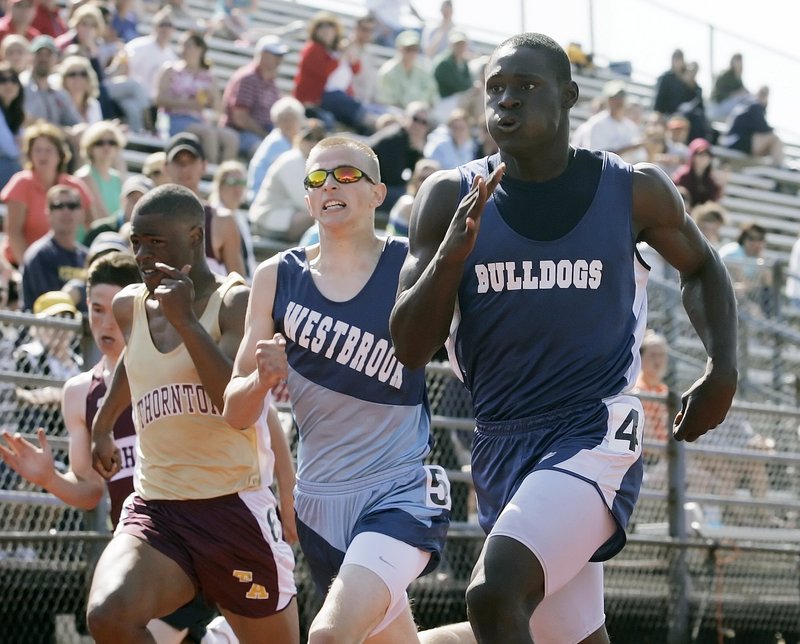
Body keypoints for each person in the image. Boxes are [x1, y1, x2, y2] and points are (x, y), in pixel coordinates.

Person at [390, 32, 738, 644]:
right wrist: (451, 258)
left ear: (570, 96)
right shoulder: (449, 196)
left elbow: (703, 266)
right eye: (496, 89)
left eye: (526, 87)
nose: (507, 101)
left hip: (593, 427)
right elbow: (411, 349)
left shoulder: (634, 188)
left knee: (496, 595)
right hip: (500, 440)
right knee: (569, 637)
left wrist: (724, 368)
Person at [223, 135, 451, 644]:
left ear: (378, 194)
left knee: (328, 637)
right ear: (306, 199)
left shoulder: (409, 266)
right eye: (318, 178)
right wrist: (262, 379)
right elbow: (234, 413)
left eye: (347, 175)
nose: (331, 185)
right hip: (319, 506)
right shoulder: (276, 276)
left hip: (399, 491)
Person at [87, 183, 299, 643]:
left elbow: (234, 401)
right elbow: (133, 361)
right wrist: (103, 423)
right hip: (158, 507)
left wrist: (184, 319)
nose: (143, 255)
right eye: (136, 242)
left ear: (195, 239)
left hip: (232, 507)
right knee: (108, 616)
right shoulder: (130, 306)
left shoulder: (234, 303)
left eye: (156, 243)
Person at [1, 120, 95, 267]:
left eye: (48, 150)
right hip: (19, 265)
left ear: (60, 155)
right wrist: (26, 270)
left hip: (65, 267)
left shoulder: (74, 186)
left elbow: (92, 227)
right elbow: (14, 233)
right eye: (37, 150)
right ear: (30, 155)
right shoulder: (21, 183)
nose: (42, 155)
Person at [164, 132, 246, 277]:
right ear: (166, 167)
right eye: (178, 162)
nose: (184, 168)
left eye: (191, 161)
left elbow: (238, 284)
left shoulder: (223, 220)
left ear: (204, 165)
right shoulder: (150, 216)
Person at [155, 30, 239, 165]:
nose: (184, 49)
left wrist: (213, 94)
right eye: (182, 45)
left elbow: (219, 111)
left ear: (200, 49)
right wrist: (188, 104)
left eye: (188, 45)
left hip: (199, 120)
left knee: (231, 138)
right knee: (208, 133)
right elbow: (159, 99)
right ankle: (210, 172)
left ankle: (225, 173)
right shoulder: (170, 70)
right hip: (174, 119)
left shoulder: (209, 76)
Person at [247, 119, 325, 243]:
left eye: (318, 138)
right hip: (266, 221)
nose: (313, 142)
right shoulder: (291, 160)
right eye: (308, 138)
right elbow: (304, 200)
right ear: (298, 138)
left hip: (287, 216)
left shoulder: (314, 163)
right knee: (323, 213)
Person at [20, 184, 88, 311]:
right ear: (48, 213)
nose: (66, 211)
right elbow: (48, 307)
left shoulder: (87, 257)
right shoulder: (39, 255)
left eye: (72, 206)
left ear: (81, 213)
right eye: (58, 206)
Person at [220, 34, 288, 158]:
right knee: (267, 152)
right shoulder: (248, 78)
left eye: (281, 56)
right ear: (263, 54)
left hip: (259, 132)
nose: (279, 60)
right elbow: (240, 118)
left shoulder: (270, 81)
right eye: (276, 55)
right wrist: (264, 135)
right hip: (239, 133)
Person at [247, 96, 305, 202]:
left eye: (291, 118)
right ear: (276, 121)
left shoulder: (289, 141)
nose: (288, 123)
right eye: (283, 119)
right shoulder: (276, 143)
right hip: (263, 198)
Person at [75, 120, 127, 221]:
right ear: (89, 148)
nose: (106, 147)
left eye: (112, 142)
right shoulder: (84, 177)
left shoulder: (117, 178)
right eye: (100, 143)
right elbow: (100, 217)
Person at [720, 85, 784, 167]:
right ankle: (779, 167)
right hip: (736, 142)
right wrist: (764, 106)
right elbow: (765, 129)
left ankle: (777, 166)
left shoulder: (746, 102)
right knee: (775, 139)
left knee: (773, 143)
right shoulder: (754, 106)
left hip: (732, 141)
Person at [671, 138, 723, 210]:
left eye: (706, 155)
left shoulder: (711, 181)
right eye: (700, 154)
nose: (703, 158)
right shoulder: (682, 176)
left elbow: (713, 202)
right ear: (693, 156)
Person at [0, 61, 24, 187]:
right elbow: (11, 149)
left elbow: (22, 143)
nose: (9, 84)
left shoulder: (16, 112)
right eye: (2, 80)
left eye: (13, 80)